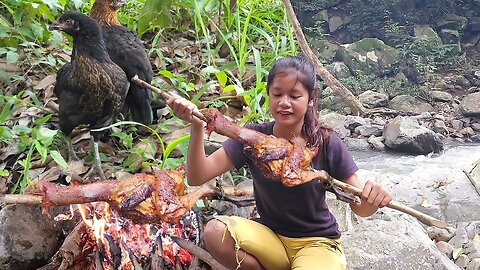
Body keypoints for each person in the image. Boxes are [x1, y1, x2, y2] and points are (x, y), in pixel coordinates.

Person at [167, 56, 393, 270]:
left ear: (311, 99)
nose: (284, 103)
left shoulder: (326, 142)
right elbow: (197, 176)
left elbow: (359, 206)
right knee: (215, 232)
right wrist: (196, 126)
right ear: (268, 96)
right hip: (271, 238)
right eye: (277, 94)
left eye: (295, 96)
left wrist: (373, 199)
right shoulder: (251, 138)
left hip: (317, 243)